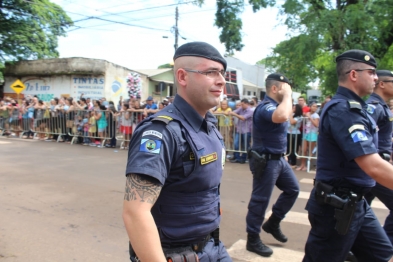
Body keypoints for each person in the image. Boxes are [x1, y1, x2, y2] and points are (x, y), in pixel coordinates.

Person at [123, 41, 231, 262]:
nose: (221, 80)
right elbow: (135, 213)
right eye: (211, 72)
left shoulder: (208, 125)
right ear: (182, 77)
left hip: (213, 247)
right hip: (175, 255)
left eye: (221, 73)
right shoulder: (162, 132)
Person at [303, 49, 393, 262]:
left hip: (356, 203)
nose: (376, 77)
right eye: (371, 72)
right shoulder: (344, 111)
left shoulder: (358, 109)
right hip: (336, 208)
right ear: (354, 74)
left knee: (381, 255)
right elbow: (372, 165)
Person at [246, 73, 300, 257]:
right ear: (275, 89)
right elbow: (283, 116)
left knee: (293, 190)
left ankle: (273, 222)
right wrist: (287, 97)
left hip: (279, 159)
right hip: (266, 160)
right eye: (285, 88)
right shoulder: (265, 107)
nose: (289, 92)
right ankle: (252, 238)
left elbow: (287, 119)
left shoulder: (277, 106)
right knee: (260, 200)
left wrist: (283, 154)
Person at [364, 70, 393, 245]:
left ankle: (355, 247)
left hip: (379, 163)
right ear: (381, 84)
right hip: (374, 167)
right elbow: (365, 134)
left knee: (358, 211)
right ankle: (386, 244)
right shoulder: (373, 106)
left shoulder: (382, 106)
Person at [297, 102, 320, 171]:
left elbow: (316, 124)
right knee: (303, 150)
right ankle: (302, 165)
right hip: (306, 133)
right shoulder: (307, 113)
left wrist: (310, 117)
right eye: (313, 106)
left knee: (310, 150)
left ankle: (308, 165)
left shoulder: (316, 116)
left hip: (312, 134)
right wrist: (305, 115)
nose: (315, 108)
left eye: (316, 107)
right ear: (310, 107)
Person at [229, 98, 253, 164]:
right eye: (241, 104)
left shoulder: (250, 111)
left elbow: (243, 118)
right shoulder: (241, 109)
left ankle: (243, 158)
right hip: (239, 130)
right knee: (236, 144)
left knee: (245, 145)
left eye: (242, 104)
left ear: (247, 104)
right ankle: (237, 158)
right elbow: (234, 112)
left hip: (247, 130)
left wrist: (234, 114)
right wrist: (232, 113)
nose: (241, 106)